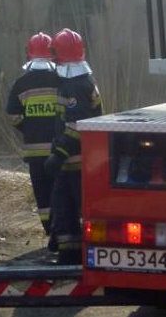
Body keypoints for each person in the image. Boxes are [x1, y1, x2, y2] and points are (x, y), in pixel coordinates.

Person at [44, 28, 102, 265]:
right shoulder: (80, 79)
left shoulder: (74, 86)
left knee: (73, 209)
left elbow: (76, 125)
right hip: (73, 162)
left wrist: (58, 155)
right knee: (64, 208)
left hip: (75, 162)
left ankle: (77, 256)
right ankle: (70, 253)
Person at [6, 31, 59, 241]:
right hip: (59, 152)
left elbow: (12, 116)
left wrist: (28, 129)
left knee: (42, 195)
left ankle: (48, 231)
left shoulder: (21, 84)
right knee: (59, 192)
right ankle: (60, 231)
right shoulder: (61, 81)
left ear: (29, 56)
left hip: (35, 153)